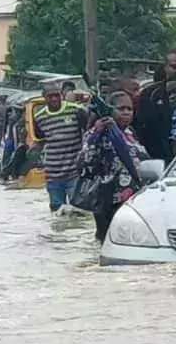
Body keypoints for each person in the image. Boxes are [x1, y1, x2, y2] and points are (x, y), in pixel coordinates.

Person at [78, 91, 149, 242]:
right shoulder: (98, 133)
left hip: (132, 198)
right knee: (107, 240)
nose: (126, 113)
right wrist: (96, 135)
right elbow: (85, 163)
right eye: (121, 109)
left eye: (129, 109)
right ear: (110, 110)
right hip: (107, 200)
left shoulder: (130, 134)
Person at [33, 82, 89, 213]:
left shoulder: (76, 110)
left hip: (74, 171)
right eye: (50, 96)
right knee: (57, 213)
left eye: (56, 95)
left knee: (79, 210)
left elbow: (87, 133)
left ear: (62, 95)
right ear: (44, 98)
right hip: (52, 174)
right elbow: (40, 141)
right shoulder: (39, 117)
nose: (54, 99)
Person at [135, 48, 176, 162]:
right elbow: (142, 128)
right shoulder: (150, 94)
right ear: (166, 67)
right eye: (174, 67)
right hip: (159, 159)